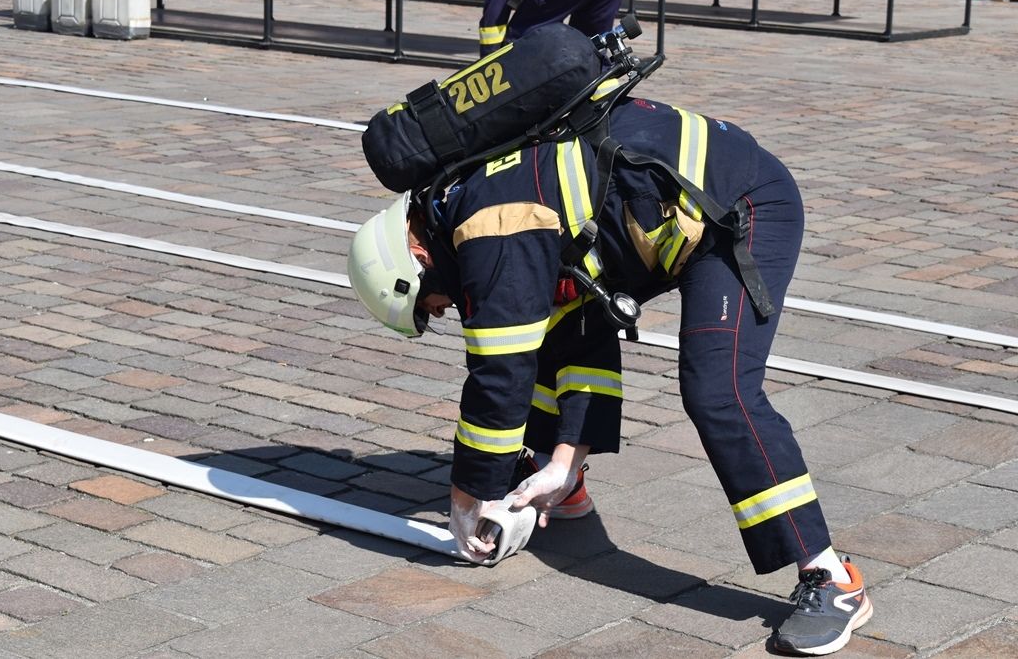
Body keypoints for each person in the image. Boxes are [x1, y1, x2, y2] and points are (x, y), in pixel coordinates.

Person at [348, 93, 873, 655]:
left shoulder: (489, 229)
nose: (444, 311)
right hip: (676, 208)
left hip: (740, 205)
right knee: (548, 326)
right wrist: (562, 463)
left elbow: (497, 378)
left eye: (429, 306)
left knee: (719, 392)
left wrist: (466, 496)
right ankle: (559, 483)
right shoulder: (473, 208)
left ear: (417, 263)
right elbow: (579, 335)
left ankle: (831, 577)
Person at [471, 0, 630, 56]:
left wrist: (488, 66)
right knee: (591, 49)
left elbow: (493, 22)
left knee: (523, 40)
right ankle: (602, 106)